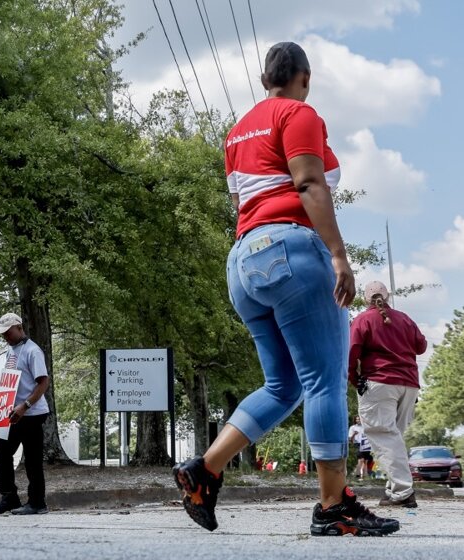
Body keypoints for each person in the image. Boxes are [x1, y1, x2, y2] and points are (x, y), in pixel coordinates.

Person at [172, 42, 400, 537]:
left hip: (243, 263)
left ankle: (204, 470)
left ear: (262, 80)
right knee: (322, 381)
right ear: (305, 77)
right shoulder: (298, 114)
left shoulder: (237, 133)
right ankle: (333, 505)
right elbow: (309, 184)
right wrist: (339, 255)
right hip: (292, 253)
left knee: (284, 386)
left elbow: (241, 200)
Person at [349, 280, 427, 508]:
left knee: (383, 436)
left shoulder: (363, 319)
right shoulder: (404, 319)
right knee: (394, 437)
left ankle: (403, 491)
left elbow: (352, 351)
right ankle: (393, 491)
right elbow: (421, 346)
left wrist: (355, 379)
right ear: (388, 296)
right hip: (409, 385)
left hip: (380, 382)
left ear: (366, 299)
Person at [0, 312, 50, 516]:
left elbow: (43, 383)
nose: (5, 337)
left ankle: (37, 503)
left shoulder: (33, 351)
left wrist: (26, 405)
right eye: (3, 334)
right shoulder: (10, 351)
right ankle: (10, 497)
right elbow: (10, 382)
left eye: (8, 332)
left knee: (32, 459)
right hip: (12, 413)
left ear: (19, 328)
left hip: (32, 413)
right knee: (2, 452)